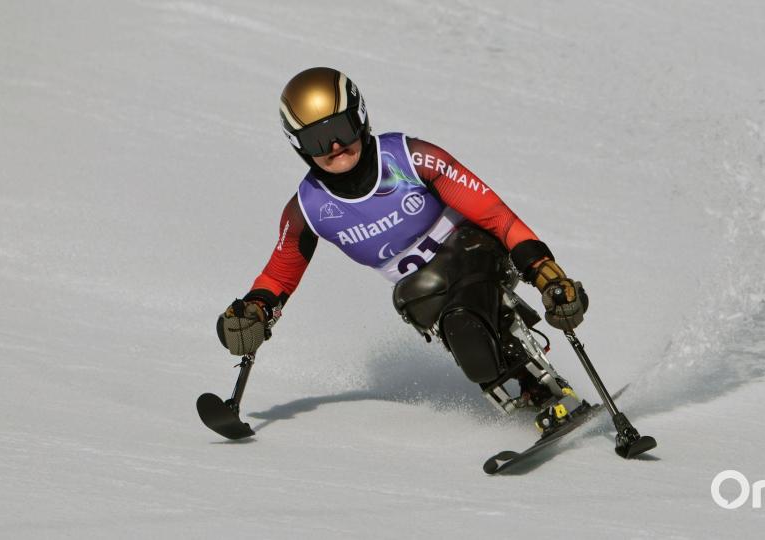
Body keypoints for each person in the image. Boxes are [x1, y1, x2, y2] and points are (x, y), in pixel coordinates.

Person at [217, 67, 590, 432]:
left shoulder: (409, 157)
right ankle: (528, 394)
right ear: (299, 147)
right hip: (424, 290)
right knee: (440, 315)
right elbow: (279, 275)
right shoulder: (308, 209)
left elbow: (494, 214)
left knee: (460, 302)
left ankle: (542, 389)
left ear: (360, 118)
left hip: (476, 249)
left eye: (341, 129)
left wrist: (542, 269)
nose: (334, 146)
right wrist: (253, 312)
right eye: (317, 139)